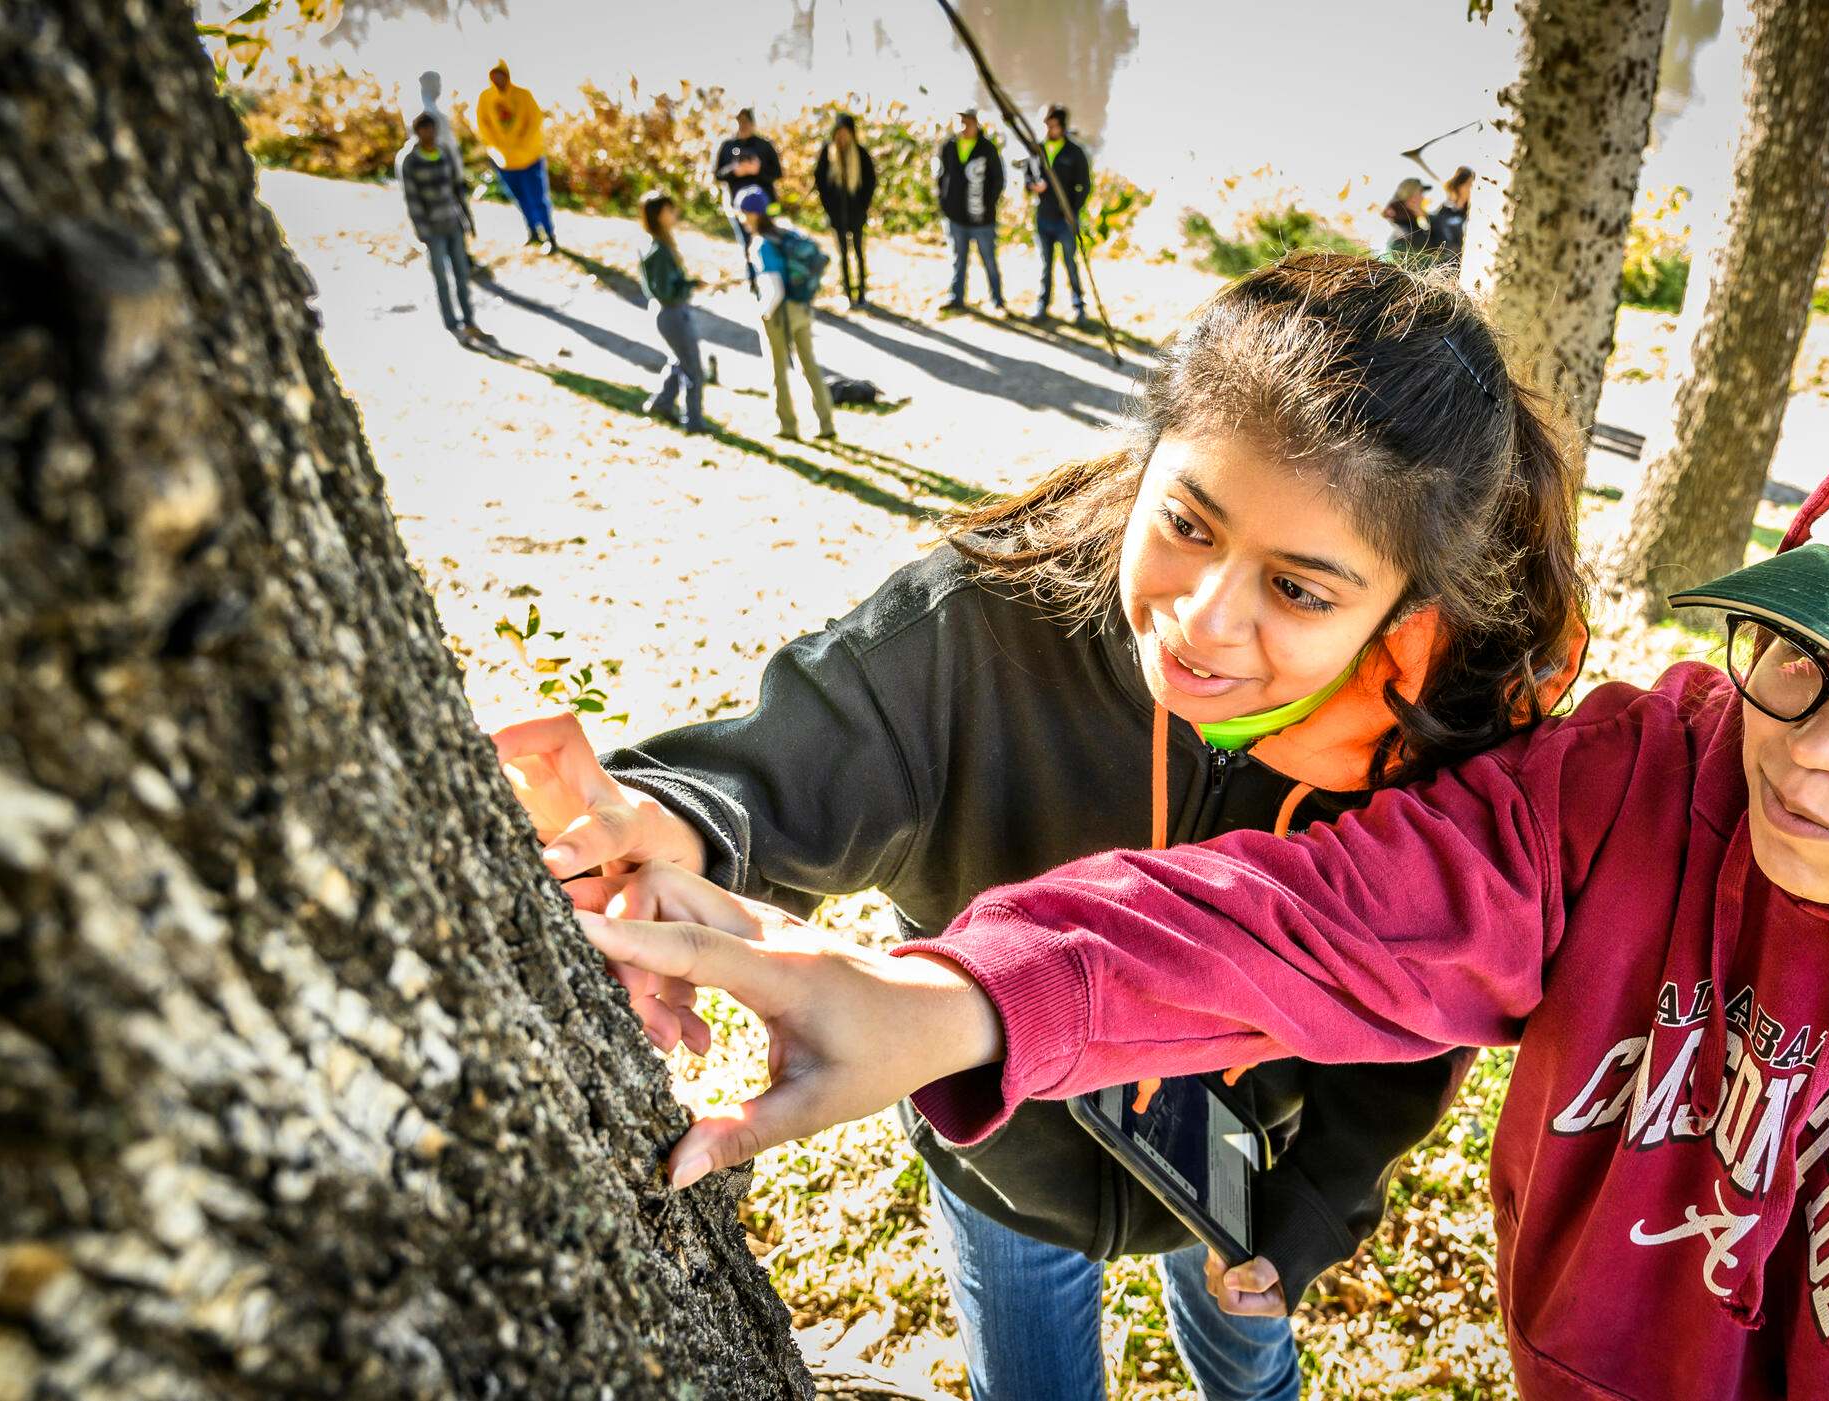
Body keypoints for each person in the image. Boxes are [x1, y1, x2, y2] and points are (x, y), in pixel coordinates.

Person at [579, 379, 1829, 1398]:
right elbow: (1322, 917)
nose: (1806, 755)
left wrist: (1306, 1207)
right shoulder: (1649, 786)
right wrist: (959, 1000)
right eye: (1799, 661)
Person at [495, 254, 1589, 1401]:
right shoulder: (987, 620)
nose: (1204, 623)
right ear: (1147, 463)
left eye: (1300, 591)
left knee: (1247, 1359)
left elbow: (1410, 1000)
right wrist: (678, 821)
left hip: (1233, 1172)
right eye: (1188, 524)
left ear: (1406, 613)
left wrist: (1309, 1209)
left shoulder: (1428, 753)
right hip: (999, 1158)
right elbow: (820, 740)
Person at [737, 188, 836, 442]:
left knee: (777, 370)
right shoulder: (786, 232)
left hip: (780, 312)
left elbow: (774, 287)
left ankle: (787, 426)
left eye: (743, 214)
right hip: (802, 307)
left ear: (752, 214)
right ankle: (826, 423)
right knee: (809, 365)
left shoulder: (762, 244)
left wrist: (764, 312)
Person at [397, 113, 483, 341]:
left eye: (431, 129)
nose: (429, 133)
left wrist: (467, 221)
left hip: (453, 223)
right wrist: (422, 232)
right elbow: (412, 199)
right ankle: (452, 324)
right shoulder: (410, 161)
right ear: (418, 132)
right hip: (432, 229)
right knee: (441, 279)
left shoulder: (443, 152)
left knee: (462, 274)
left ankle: (469, 320)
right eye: (424, 129)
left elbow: (457, 190)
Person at [639, 191, 708, 433]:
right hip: (672, 313)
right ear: (658, 215)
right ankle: (694, 422)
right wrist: (690, 285)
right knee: (693, 369)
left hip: (672, 311)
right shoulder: (657, 250)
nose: (674, 214)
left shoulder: (660, 244)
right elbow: (665, 291)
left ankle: (661, 403)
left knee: (680, 361)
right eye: (670, 210)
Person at [474, 60, 556, 252]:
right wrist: (499, 147)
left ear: (507, 74)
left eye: (500, 74)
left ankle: (550, 235)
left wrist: (520, 142)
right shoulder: (486, 98)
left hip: (530, 157)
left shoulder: (523, 95)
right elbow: (483, 126)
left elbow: (535, 120)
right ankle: (533, 231)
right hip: (504, 161)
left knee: (538, 198)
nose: (497, 79)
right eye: (493, 75)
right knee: (520, 198)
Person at [936, 108, 1007, 315]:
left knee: (989, 260)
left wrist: (988, 203)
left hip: (982, 218)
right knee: (958, 259)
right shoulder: (949, 146)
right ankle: (956, 298)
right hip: (956, 216)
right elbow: (942, 176)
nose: (964, 127)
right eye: (961, 122)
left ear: (977, 123)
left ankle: (997, 300)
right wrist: (945, 202)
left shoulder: (987, 148)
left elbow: (998, 180)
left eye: (968, 122)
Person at [1026, 104, 1092, 323]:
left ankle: (1079, 308)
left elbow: (1085, 185)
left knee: (1070, 264)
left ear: (1062, 127)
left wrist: (1072, 211)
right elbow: (1028, 177)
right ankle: (1042, 305)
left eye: (1053, 125)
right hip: (1043, 217)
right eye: (1046, 125)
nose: (1049, 130)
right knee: (1045, 265)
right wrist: (1033, 187)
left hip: (1065, 221)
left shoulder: (1075, 152)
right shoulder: (1038, 149)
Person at [813, 112, 878, 311]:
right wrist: (829, 208)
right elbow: (820, 183)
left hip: (856, 213)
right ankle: (848, 293)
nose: (841, 137)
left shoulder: (860, 153)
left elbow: (870, 182)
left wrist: (862, 206)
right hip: (836, 214)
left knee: (859, 252)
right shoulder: (827, 153)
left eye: (845, 132)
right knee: (842, 254)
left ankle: (862, 293)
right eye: (838, 133)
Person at [414, 70, 477, 262]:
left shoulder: (432, 109)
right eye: (437, 84)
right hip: (441, 174)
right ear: (428, 85)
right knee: (452, 215)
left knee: (455, 214)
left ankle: (460, 254)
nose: (440, 88)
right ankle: (459, 257)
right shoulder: (427, 113)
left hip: (447, 171)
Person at [715, 107, 783, 286]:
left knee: (769, 240)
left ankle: (775, 278)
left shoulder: (764, 145)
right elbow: (718, 174)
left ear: (753, 123)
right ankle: (754, 281)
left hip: (766, 206)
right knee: (747, 244)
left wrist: (758, 170)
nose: (743, 126)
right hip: (738, 207)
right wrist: (735, 171)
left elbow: (777, 173)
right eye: (739, 122)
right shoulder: (728, 146)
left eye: (746, 122)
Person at [1380, 177, 1439, 266]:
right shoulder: (1405, 234)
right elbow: (1437, 241)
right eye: (1420, 193)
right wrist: (1425, 216)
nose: (1423, 198)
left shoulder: (1408, 224)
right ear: (1411, 197)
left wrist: (1423, 215)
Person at [1428, 165, 1471, 265]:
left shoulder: (1471, 214)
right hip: (1447, 270)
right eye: (1468, 184)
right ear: (1458, 186)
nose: (1471, 189)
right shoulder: (1440, 217)